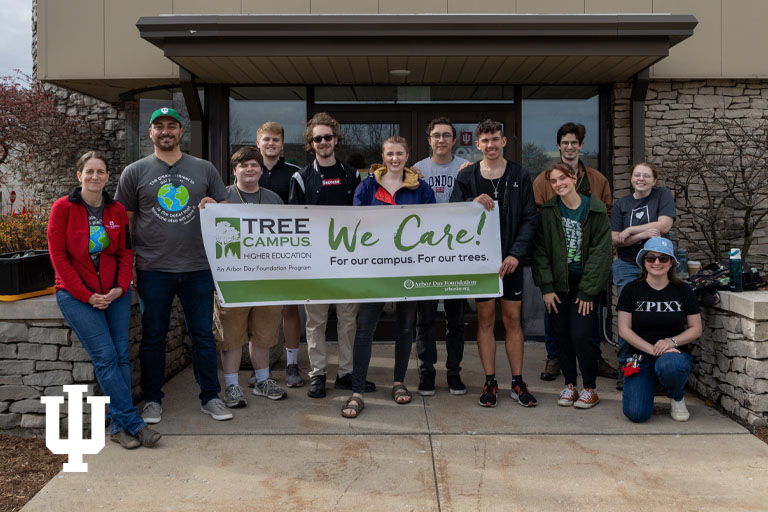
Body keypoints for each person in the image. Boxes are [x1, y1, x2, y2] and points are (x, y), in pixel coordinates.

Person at [115, 107, 232, 423]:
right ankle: (152, 399)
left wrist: (213, 205)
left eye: (172, 126)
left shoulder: (204, 169)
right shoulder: (134, 172)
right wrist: (129, 267)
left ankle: (211, 397)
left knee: (203, 336)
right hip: (153, 269)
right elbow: (123, 224)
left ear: (181, 132)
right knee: (154, 336)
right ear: (150, 133)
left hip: (198, 267)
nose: (166, 131)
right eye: (159, 126)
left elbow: (225, 207)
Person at [48, 151, 161, 449]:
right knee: (107, 358)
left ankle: (117, 427)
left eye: (100, 172)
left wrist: (120, 288)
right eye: (89, 171)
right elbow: (58, 258)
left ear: (108, 177)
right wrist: (87, 295)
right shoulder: (63, 209)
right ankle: (134, 423)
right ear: (79, 175)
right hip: (75, 295)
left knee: (122, 357)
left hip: (114, 293)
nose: (95, 176)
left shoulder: (117, 211)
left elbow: (125, 253)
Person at [341, 136, 436, 418]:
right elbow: (357, 226)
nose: (395, 158)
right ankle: (357, 390)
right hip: (375, 270)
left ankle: (398, 382)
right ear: (383, 156)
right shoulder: (367, 186)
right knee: (365, 329)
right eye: (390, 154)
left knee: (406, 328)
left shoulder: (421, 188)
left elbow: (436, 224)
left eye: (400, 153)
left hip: (409, 269)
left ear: (408, 156)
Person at [450, 119, 538, 408]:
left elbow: (529, 218)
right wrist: (472, 203)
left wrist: (515, 254)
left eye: (495, 139)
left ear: (504, 141)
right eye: (485, 141)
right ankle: (490, 381)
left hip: (510, 261)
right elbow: (452, 214)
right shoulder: (467, 177)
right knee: (486, 321)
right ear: (477, 144)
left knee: (513, 320)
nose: (490, 145)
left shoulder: (519, 175)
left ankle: (517, 381)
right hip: (481, 263)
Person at [288, 112, 374, 399]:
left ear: (336, 139)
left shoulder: (351, 174)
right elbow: (292, 222)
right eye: (317, 138)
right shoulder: (300, 178)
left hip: (347, 261)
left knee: (349, 320)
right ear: (311, 143)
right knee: (316, 322)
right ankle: (318, 375)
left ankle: (346, 373)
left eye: (328, 137)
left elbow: (363, 216)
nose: (323, 142)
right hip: (314, 263)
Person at [533, 122, 616, 383]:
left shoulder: (597, 181)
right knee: (556, 321)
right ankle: (555, 357)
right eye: (564, 143)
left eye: (574, 143)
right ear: (558, 146)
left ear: (581, 146)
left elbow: (606, 218)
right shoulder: (543, 181)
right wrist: (546, 282)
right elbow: (539, 228)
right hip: (558, 272)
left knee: (585, 324)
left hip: (586, 271)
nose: (569, 147)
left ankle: (593, 362)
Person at [215, 147, 287, 408]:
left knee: (264, 333)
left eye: (254, 165)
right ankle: (232, 386)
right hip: (232, 279)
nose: (250, 169)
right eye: (243, 165)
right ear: (234, 170)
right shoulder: (221, 198)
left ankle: (263, 381)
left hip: (267, 279)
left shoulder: (273, 199)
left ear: (261, 169)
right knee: (231, 334)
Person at [410, 117, 470, 396]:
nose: (441, 140)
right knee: (425, 319)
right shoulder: (417, 170)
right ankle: (427, 372)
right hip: (426, 254)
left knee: (456, 319)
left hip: (457, 254)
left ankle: (454, 372)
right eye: (436, 135)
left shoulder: (466, 169)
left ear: (454, 140)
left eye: (447, 135)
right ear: (429, 140)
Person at [618, 237, 701, 422]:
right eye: (651, 258)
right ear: (643, 261)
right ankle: (648, 384)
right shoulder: (631, 290)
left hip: (673, 354)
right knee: (636, 414)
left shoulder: (683, 290)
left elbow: (696, 329)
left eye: (663, 258)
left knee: (670, 365)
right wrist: (653, 349)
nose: (657, 262)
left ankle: (676, 395)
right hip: (639, 356)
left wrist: (671, 342)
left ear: (671, 262)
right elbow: (624, 330)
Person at [612, 161, 676, 390]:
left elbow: (664, 225)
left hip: (658, 264)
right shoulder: (622, 204)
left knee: (658, 314)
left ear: (654, 180)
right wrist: (641, 236)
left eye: (646, 175)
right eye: (637, 175)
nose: (641, 179)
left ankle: (660, 365)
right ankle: (626, 367)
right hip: (627, 265)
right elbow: (614, 238)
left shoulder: (662, 195)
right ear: (631, 179)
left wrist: (630, 230)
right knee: (628, 318)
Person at [255, 121, 304, 388]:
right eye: (266, 139)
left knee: (289, 308)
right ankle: (260, 366)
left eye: (276, 139)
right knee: (261, 309)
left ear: (282, 144)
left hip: (288, 252)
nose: (271, 143)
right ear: (258, 144)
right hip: (257, 253)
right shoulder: (249, 170)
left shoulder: (295, 173)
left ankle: (292, 363)